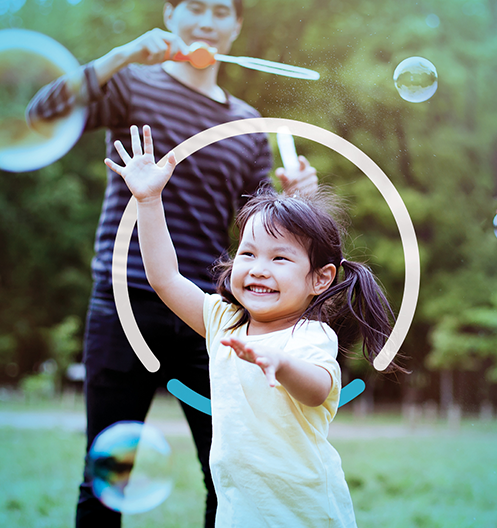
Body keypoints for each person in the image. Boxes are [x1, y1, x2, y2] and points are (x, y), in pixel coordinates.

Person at [26, 1, 317, 526]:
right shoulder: (132, 85)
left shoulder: (246, 123)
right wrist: (122, 55)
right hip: (123, 302)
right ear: (170, 14)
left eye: (221, 10)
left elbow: (262, 230)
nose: (207, 21)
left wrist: (299, 200)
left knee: (227, 472)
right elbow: (42, 113)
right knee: (105, 477)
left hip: (205, 314)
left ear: (237, 25)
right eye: (194, 6)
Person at [105, 124, 396, 527]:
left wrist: (282, 363)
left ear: (320, 278)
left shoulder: (310, 336)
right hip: (240, 513)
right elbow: (165, 278)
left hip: (305, 516)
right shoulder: (224, 321)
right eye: (248, 253)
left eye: (280, 259)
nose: (259, 269)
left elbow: (318, 389)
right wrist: (150, 200)